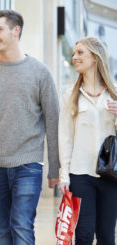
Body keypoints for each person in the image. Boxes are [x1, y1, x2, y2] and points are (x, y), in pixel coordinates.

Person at [0, 9, 60, 245]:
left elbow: (53, 121)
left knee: (22, 225)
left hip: (28, 164)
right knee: (2, 229)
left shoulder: (40, 73)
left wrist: (54, 167)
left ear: (16, 31)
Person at [58, 37, 117, 245]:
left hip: (111, 175)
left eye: (80, 53)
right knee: (83, 235)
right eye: (74, 53)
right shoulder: (70, 96)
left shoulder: (114, 92)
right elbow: (65, 137)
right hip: (80, 173)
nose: (74, 57)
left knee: (107, 236)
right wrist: (63, 174)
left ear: (95, 57)